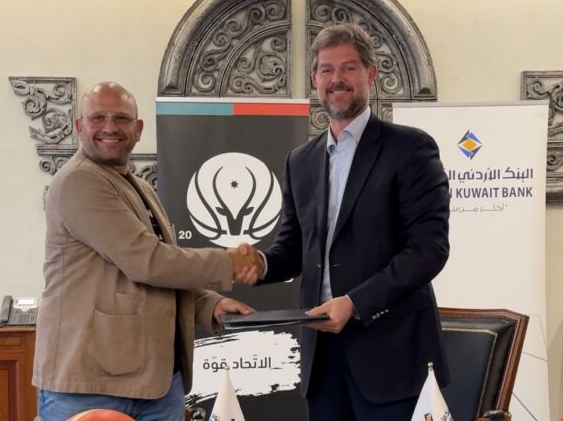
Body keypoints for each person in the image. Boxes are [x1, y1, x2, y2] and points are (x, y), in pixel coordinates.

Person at [242, 23, 451, 419]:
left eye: (348, 68)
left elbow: (429, 251)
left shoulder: (410, 148)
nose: (336, 79)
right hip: (323, 360)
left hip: (392, 358)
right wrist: (260, 264)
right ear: (314, 80)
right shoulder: (300, 160)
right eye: (326, 70)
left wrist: (354, 304)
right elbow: (294, 249)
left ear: (371, 74)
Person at [33, 82, 260, 421]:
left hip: (156, 382)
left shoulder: (140, 188)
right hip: (93, 384)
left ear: (138, 130)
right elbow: (147, 262)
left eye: (121, 118)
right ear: (79, 126)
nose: (110, 127)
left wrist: (209, 304)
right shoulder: (79, 181)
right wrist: (230, 262)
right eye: (98, 118)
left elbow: (163, 268)